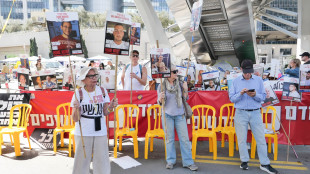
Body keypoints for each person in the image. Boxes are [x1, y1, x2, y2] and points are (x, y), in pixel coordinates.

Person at [229, 60, 279, 174]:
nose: (248, 74)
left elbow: (262, 97)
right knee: (241, 139)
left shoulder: (258, 80)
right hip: (240, 112)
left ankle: (265, 163)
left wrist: (255, 94)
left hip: (255, 112)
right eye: (246, 72)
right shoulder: (235, 81)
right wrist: (240, 93)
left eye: (250, 72)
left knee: (260, 139)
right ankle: (244, 161)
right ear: (241, 70)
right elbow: (232, 99)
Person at [71, 67, 118, 174]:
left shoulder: (102, 91)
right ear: (84, 80)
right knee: (81, 162)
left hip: (100, 131)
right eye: (90, 76)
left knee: (102, 161)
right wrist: (77, 108)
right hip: (83, 132)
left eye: (95, 75)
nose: (94, 78)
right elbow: (75, 118)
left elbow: (105, 112)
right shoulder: (78, 94)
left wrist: (111, 106)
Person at [157, 64, 198, 171]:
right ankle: (170, 161)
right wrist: (161, 98)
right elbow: (160, 103)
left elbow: (185, 98)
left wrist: (185, 89)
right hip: (167, 115)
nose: (176, 73)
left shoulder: (180, 83)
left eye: (176, 71)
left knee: (184, 139)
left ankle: (188, 162)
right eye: (174, 72)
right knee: (169, 139)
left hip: (180, 115)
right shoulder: (161, 85)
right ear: (168, 73)